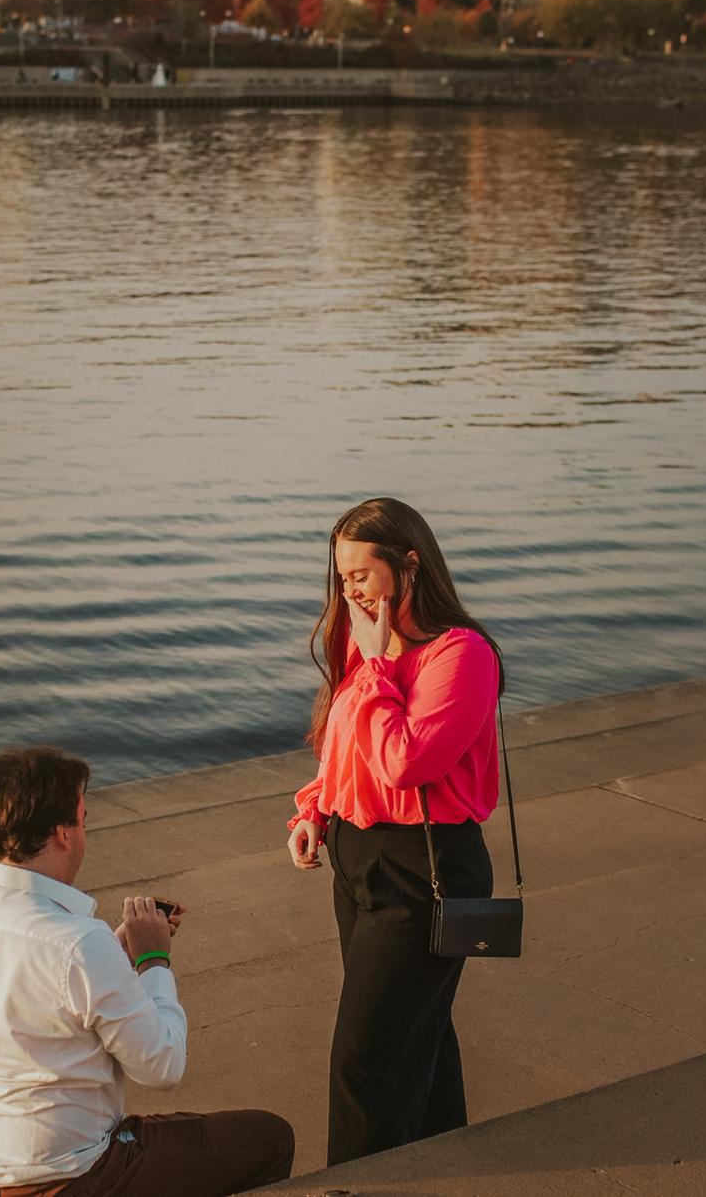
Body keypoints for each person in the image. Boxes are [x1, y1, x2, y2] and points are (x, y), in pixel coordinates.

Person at [0, 745, 294, 1197]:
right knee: (270, 1138)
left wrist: (115, 956)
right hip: (69, 1175)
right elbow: (162, 1066)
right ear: (62, 833)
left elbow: (37, 997)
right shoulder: (78, 942)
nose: (84, 833)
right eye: (83, 820)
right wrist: (152, 960)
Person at [286, 498, 504, 1165]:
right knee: (418, 1031)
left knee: (367, 1057)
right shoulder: (366, 640)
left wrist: (379, 665)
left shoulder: (459, 654)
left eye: (361, 574)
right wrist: (314, 810)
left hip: (428, 867)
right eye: (342, 577)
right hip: (359, 860)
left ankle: (357, 1182)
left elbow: (406, 761)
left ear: (410, 563)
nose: (348, 590)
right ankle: (439, 1160)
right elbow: (344, 743)